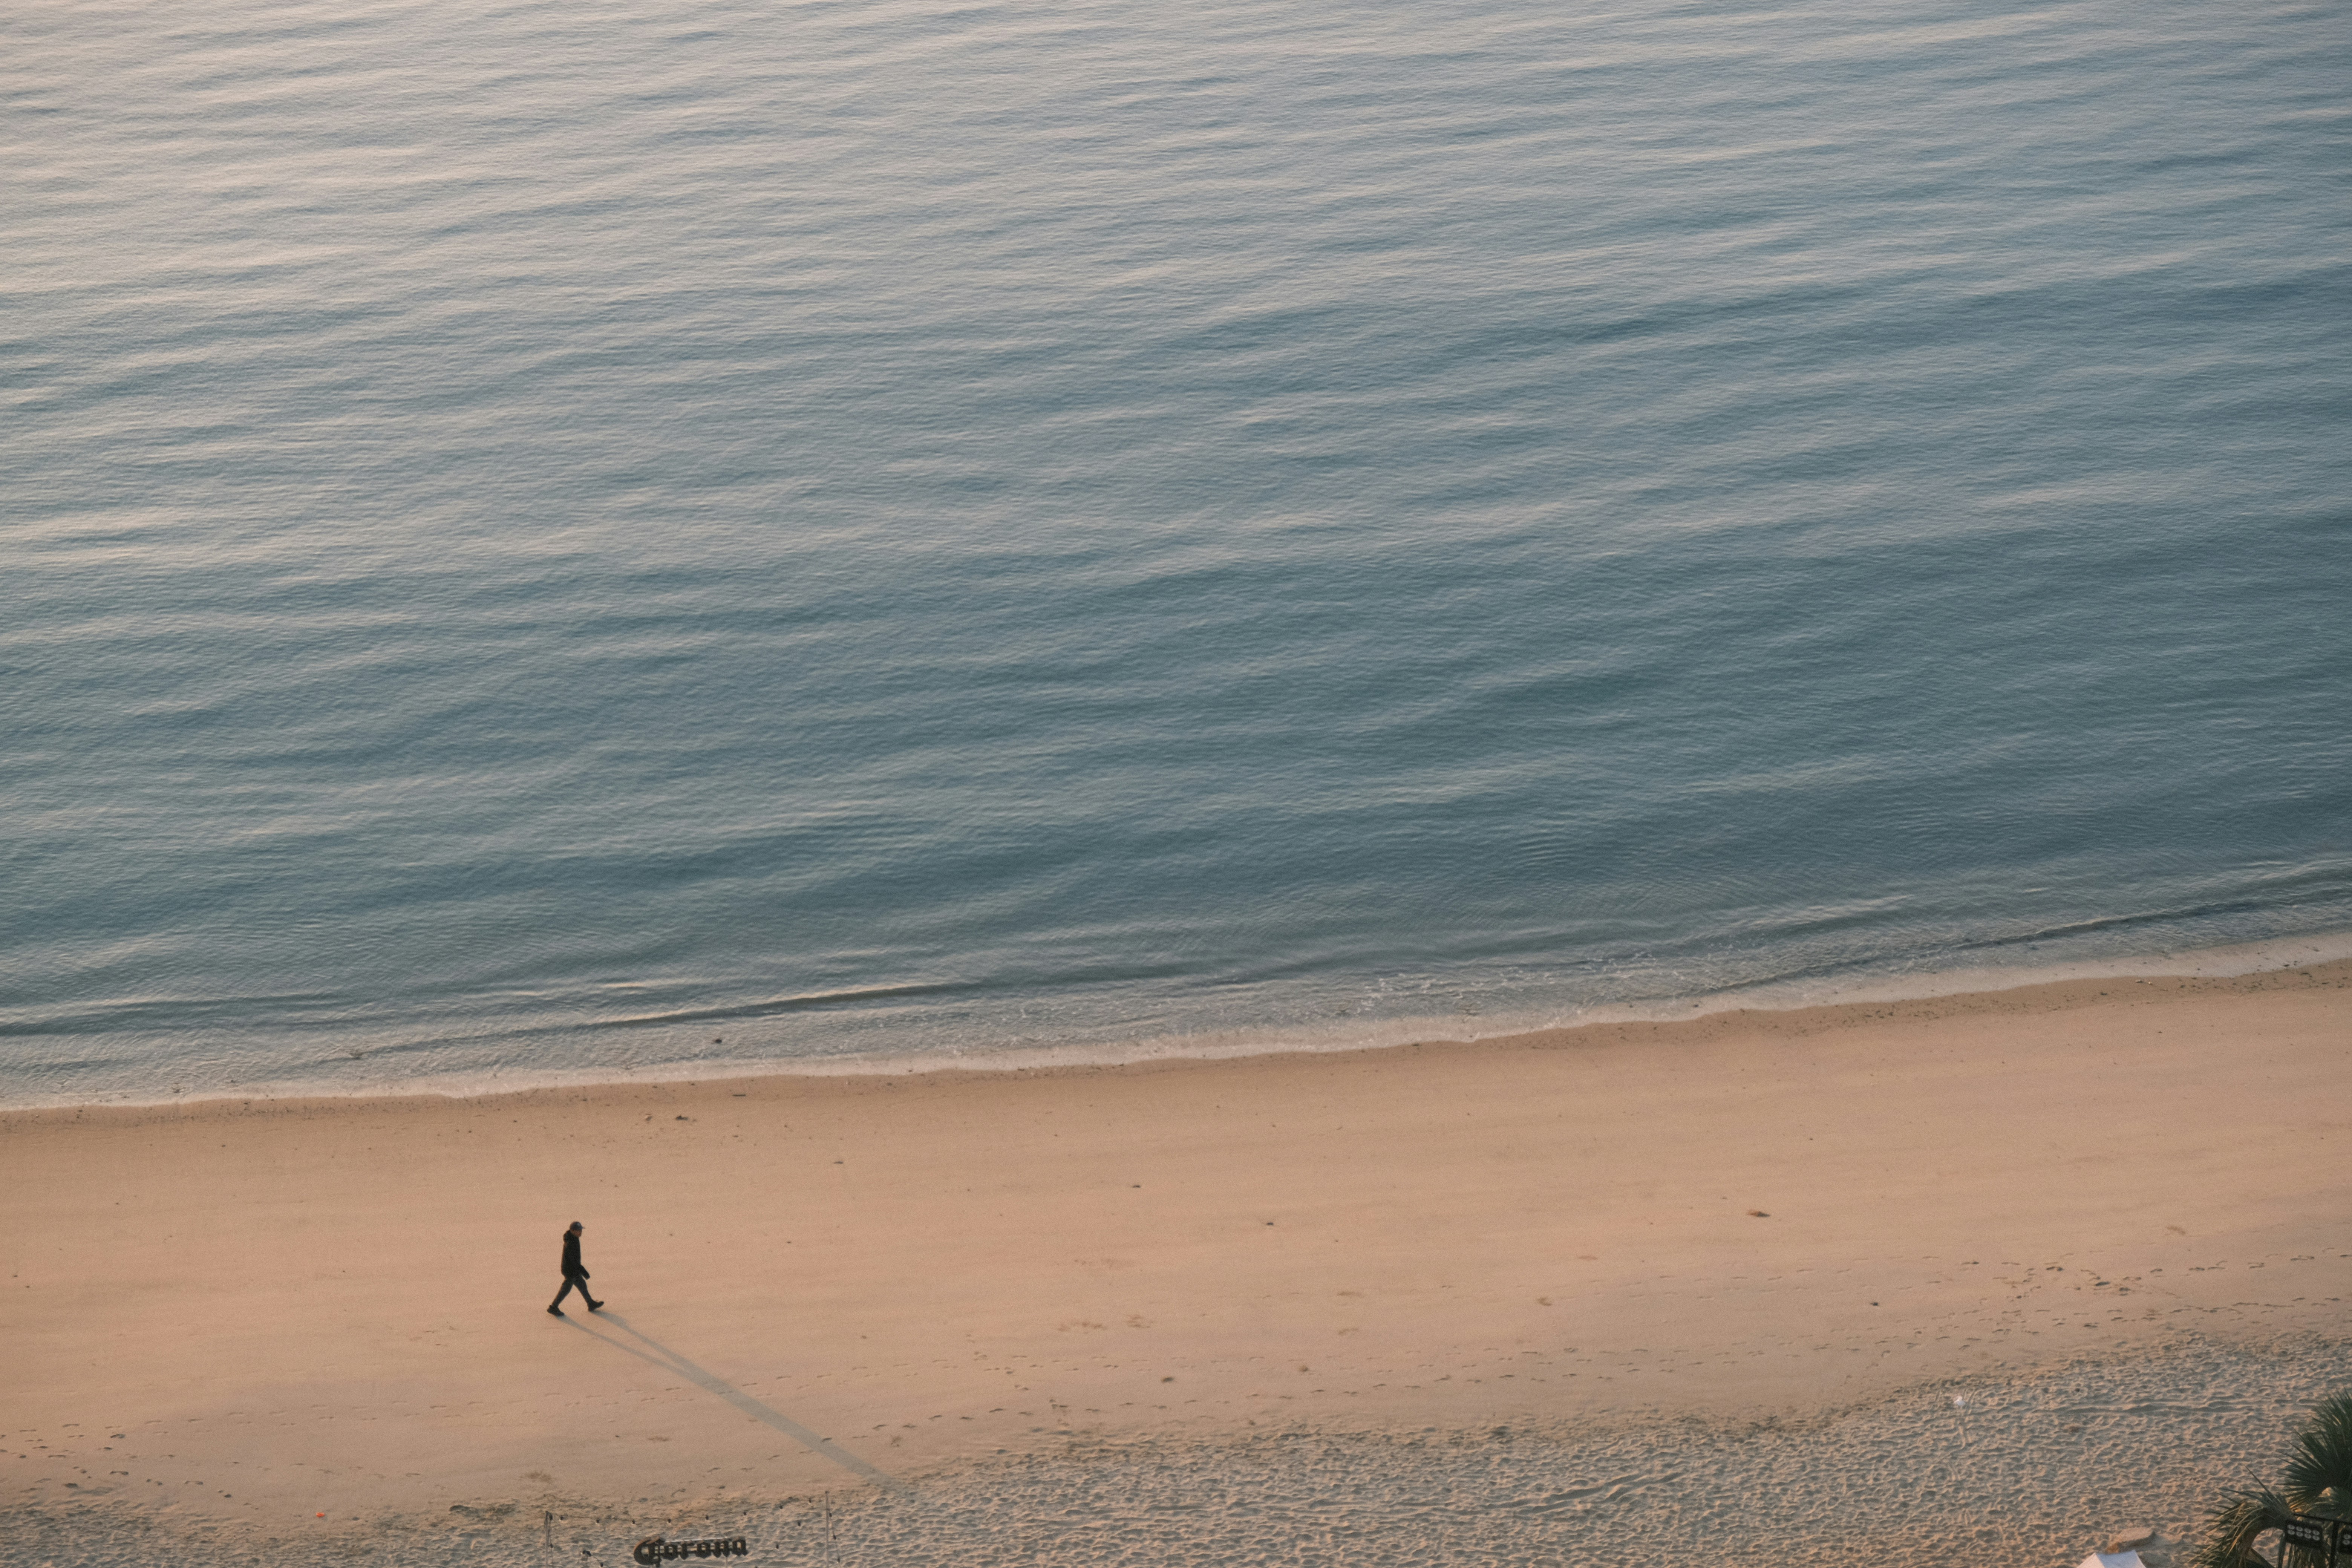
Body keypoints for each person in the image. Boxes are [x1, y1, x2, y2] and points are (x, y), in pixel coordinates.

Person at [547, 1220, 604, 1315]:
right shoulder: (571, 1243)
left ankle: (591, 1304)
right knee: (566, 1289)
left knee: (582, 1285)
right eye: (579, 1230)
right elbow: (574, 1261)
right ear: (573, 1231)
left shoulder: (574, 1238)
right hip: (570, 1270)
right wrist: (584, 1272)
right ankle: (553, 1307)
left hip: (573, 1269)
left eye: (581, 1230)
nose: (581, 1232)